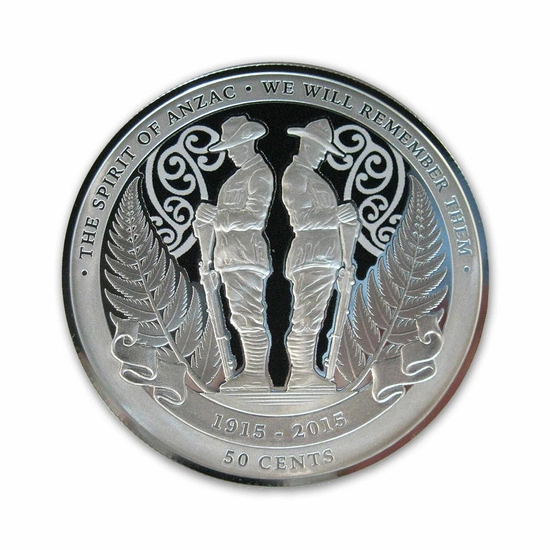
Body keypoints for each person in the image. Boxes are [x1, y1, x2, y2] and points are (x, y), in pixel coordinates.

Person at [194, 115, 274, 390]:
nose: (229, 153)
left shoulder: (259, 174)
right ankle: (252, 372)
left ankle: (256, 374)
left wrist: (217, 216)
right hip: (230, 257)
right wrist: (208, 257)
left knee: (248, 313)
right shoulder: (235, 178)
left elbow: (255, 216)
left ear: (247, 143)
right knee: (240, 315)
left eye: (232, 147)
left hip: (246, 257)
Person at [282, 118, 359, 389]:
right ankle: (301, 374)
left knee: (314, 315)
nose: (323, 154)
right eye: (320, 148)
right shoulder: (296, 175)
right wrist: (337, 215)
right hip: (311, 255)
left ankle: (304, 372)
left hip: (324, 257)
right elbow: (301, 218)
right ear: (306, 144)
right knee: (307, 315)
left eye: (325, 149)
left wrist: (345, 258)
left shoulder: (312, 177)